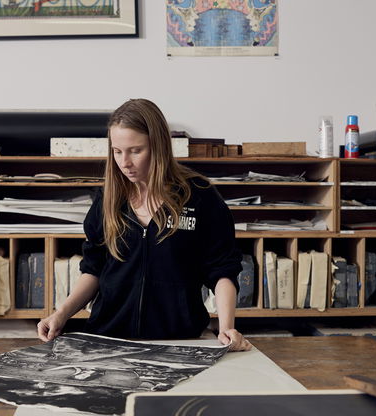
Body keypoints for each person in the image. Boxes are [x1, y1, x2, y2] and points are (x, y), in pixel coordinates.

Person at [38, 98, 251, 351]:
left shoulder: (200, 196)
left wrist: (227, 328)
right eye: (117, 151)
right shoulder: (108, 198)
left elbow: (223, 270)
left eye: (135, 150)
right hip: (109, 338)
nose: (124, 162)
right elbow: (94, 268)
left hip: (179, 340)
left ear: (158, 146)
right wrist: (61, 314)